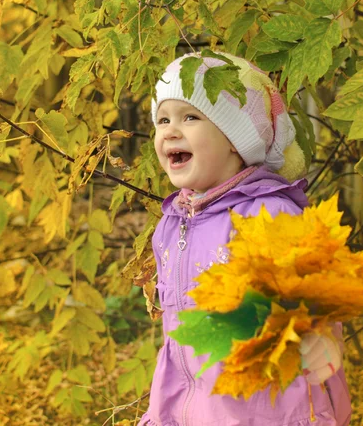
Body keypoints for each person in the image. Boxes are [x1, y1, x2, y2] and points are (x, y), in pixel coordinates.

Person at [139, 52, 351, 426]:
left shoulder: (266, 214)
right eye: (162, 120)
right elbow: (175, 335)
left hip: (264, 411)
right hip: (190, 409)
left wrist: (323, 338)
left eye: (191, 117)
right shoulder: (170, 225)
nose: (171, 130)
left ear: (236, 140)